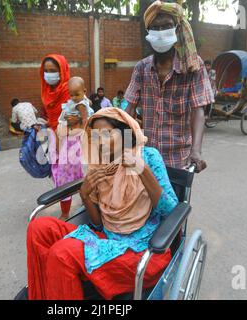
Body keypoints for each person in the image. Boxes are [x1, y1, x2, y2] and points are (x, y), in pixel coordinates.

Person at [26, 107, 179, 300]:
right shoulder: (99, 165)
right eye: (96, 137)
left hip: (142, 251)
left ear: (125, 133)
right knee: (38, 227)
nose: (101, 143)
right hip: (107, 240)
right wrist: (85, 194)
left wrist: (142, 169)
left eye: (107, 134)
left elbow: (172, 211)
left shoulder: (148, 156)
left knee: (62, 253)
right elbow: (99, 223)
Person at [125, 1, 214, 172]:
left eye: (166, 26)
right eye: (155, 28)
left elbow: (198, 110)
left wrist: (196, 151)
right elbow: (128, 111)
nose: (160, 33)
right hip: (147, 156)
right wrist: (126, 147)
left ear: (177, 29)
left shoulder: (193, 67)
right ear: (148, 32)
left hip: (179, 159)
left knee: (176, 199)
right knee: (145, 198)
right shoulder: (141, 68)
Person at [50, 77, 93, 221]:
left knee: (67, 179)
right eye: (71, 94)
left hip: (73, 144)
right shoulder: (80, 100)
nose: (73, 98)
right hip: (69, 142)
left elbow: (86, 122)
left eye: (77, 94)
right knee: (78, 177)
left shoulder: (80, 105)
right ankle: (79, 206)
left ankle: (67, 212)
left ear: (84, 91)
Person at [39, 54, 74, 218]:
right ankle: (66, 202)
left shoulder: (69, 89)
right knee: (59, 174)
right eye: (45, 70)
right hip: (54, 135)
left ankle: (65, 213)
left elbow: (70, 118)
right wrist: (47, 123)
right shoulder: (47, 89)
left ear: (62, 71)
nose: (48, 74)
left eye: (53, 70)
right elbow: (53, 115)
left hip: (67, 137)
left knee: (64, 176)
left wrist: (60, 144)